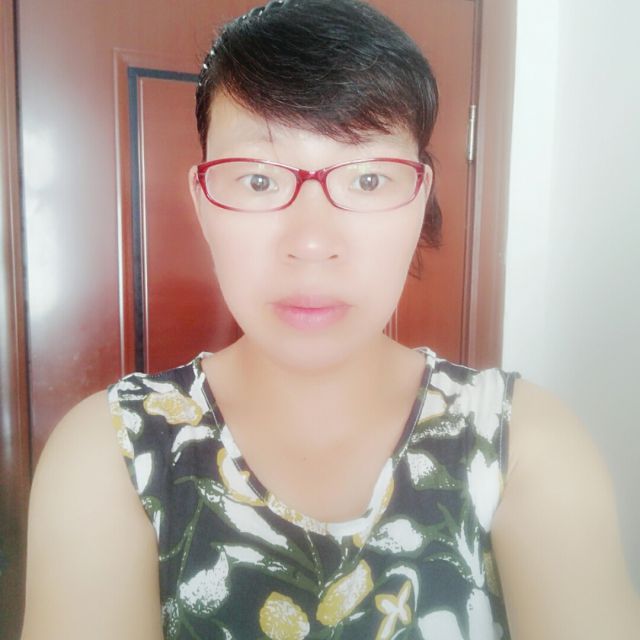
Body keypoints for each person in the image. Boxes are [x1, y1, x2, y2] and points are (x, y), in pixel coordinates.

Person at [20, 1, 640, 639]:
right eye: (258, 180)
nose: (312, 242)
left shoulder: (521, 444)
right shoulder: (112, 453)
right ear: (203, 206)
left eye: (368, 180)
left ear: (419, 200)